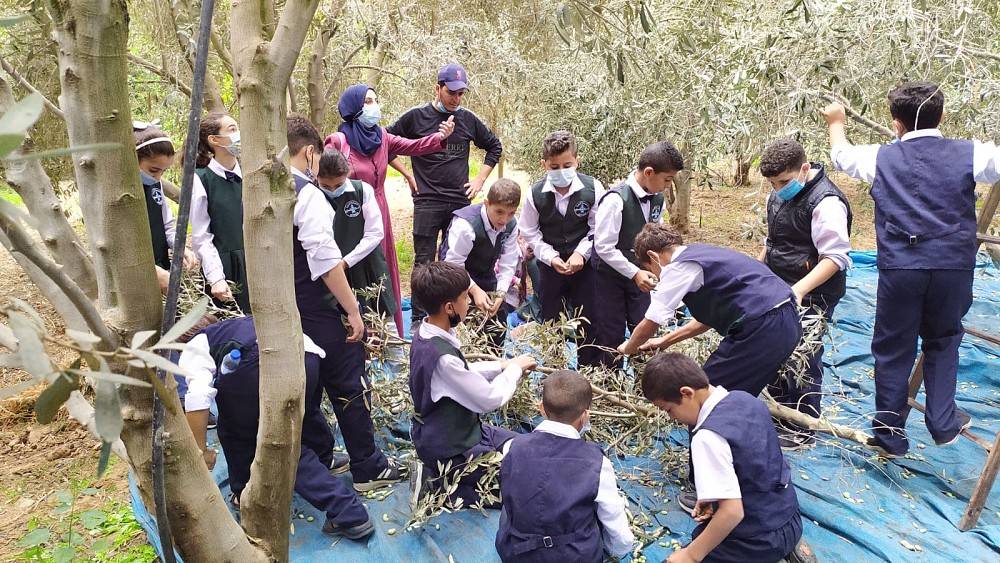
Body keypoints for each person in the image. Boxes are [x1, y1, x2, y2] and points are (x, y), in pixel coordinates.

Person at [822, 81, 1000, 457]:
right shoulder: (972, 153)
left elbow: (841, 156)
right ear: (943, 115)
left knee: (892, 348)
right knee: (944, 339)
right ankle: (943, 423)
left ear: (896, 123)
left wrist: (836, 121)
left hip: (901, 268)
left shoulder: (879, 157)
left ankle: (890, 434)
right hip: (953, 267)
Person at [618, 223, 801, 510]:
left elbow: (650, 321)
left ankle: (706, 488)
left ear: (653, 256)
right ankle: (739, 464)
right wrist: (665, 341)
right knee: (736, 397)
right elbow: (705, 319)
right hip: (785, 320)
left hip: (762, 325)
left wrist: (626, 348)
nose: (654, 275)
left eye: (649, 269)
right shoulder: (703, 255)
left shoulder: (677, 267)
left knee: (704, 397)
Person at [287, 113, 406, 491]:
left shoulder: (260, 186)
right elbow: (325, 261)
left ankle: (320, 454)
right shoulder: (307, 194)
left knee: (306, 380)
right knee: (349, 382)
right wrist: (353, 310)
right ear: (310, 152)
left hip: (282, 304)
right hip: (316, 303)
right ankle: (368, 467)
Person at [177, 316, 374, 540]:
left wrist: (200, 450)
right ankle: (324, 458)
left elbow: (198, 397)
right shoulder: (236, 324)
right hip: (308, 356)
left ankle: (348, 511)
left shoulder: (194, 345)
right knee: (304, 415)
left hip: (260, 365)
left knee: (254, 436)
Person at [643, 353, 816, 563]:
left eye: (669, 410)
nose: (672, 418)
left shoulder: (707, 437)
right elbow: (755, 465)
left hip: (758, 541)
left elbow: (732, 513)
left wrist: (691, 555)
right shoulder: (746, 399)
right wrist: (715, 497)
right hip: (791, 521)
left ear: (687, 393)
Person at [325, 84, 456, 336]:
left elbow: (413, 146)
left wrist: (439, 138)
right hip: (350, 215)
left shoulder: (382, 136)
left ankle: (385, 331)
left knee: (380, 266)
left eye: (375, 100)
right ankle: (354, 327)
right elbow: (323, 177)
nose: (374, 107)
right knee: (353, 267)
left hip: (379, 209)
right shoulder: (339, 141)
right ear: (353, 107)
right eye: (368, 102)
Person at [408, 261, 536, 507]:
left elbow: (463, 373)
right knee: (521, 486)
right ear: (449, 307)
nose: (469, 302)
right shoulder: (443, 358)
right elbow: (490, 399)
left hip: (466, 431)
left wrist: (501, 366)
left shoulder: (425, 333)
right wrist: (515, 370)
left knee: (526, 448)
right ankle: (435, 487)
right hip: (450, 449)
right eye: (465, 297)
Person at [386, 63, 503, 329]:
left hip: (460, 203)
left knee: (455, 263)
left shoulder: (468, 119)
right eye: (451, 92)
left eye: (461, 94)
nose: (456, 99)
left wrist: (480, 179)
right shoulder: (416, 117)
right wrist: (408, 175)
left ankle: (455, 317)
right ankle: (419, 320)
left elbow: (494, 146)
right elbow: (385, 143)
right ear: (437, 89)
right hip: (427, 200)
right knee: (424, 263)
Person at [758, 138, 853, 450]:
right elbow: (773, 240)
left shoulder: (826, 203)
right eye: (772, 183)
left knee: (803, 354)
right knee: (775, 347)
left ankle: (803, 425)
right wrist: (758, 271)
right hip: (779, 285)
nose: (777, 188)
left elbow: (835, 258)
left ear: (804, 169)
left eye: (783, 181)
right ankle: (778, 410)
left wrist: (798, 290)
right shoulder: (778, 195)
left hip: (812, 292)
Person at [495, 370, 634, 562]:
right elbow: (615, 524)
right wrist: (618, 551)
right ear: (585, 416)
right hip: (574, 557)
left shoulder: (512, 446)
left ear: (541, 408)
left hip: (516, 553)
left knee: (508, 509)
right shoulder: (597, 463)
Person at [518, 130, 604, 367]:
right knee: (551, 316)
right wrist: (550, 257)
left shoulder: (593, 188)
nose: (561, 171)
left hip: (585, 265)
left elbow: (598, 228)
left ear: (577, 161)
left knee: (589, 316)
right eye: (554, 167)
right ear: (544, 164)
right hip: (550, 265)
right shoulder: (535, 194)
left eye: (567, 165)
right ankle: (555, 370)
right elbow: (529, 231)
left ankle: (590, 369)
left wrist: (581, 253)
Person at [593, 141, 681, 367]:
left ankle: (645, 378)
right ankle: (610, 382)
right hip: (609, 278)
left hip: (642, 279)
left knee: (643, 327)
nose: (668, 186)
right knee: (610, 332)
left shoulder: (657, 200)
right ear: (649, 172)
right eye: (667, 179)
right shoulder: (616, 200)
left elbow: (655, 236)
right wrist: (634, 273)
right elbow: (603, 247)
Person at [438, 178, 521, 350]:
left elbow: (508, 261)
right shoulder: (466, 225)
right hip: (452, 277)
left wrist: (501, 292)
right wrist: (474, 290)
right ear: (487, 203)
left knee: (496, 319)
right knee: (463, 324)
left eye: (511, 213)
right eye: (499, 212)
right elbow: (453, 263)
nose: (504, 219)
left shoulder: (512, 225)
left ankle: (493, 358)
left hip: (486, 273)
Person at [315, 149, 395, 322]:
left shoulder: (361, 191)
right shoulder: (312, 195)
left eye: (338, 185)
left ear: (347, 174)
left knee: (381, 319)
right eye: (326, 186)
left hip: (365, 264)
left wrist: (346, 262)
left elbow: (375, 233)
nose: (333, 190)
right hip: (329, 268)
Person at [190, 112, 250, 313]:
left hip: (258, 262)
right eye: (232, 130)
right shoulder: (201, 179)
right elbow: (201, 236)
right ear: (214, 140)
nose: (239, 134)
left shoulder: (252, 173)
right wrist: (216, 277)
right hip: (226, 269)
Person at [133, 121, 199, 293]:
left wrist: (180, 247)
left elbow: (167, 225)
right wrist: (152, 271)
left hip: (161, 265)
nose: (157, 177)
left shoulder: (156, 186)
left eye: (163, 172)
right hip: (134, 275)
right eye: (153, 170)